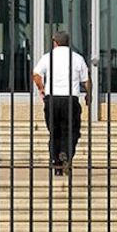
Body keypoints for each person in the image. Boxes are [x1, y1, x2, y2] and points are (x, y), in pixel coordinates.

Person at [32, 31, 90, 176]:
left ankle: (56, 164)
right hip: (70, 99)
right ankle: (66, 154)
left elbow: (36, 74)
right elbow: (86, 80)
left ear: (55, 42)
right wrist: (89, 94)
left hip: (53, 99)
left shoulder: (47, 57)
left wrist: (42, 89)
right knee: (72, 131)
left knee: (54, 131)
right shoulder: (77, 58)